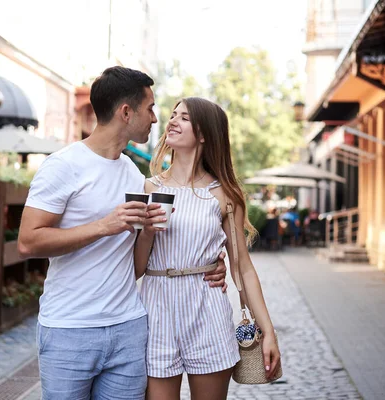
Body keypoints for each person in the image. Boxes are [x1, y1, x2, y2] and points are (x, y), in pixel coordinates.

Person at [18, 67, 228, 400]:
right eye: (151, 109)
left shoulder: (135, 176)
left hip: (129, 329)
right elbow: (28, 241)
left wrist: (210, 263)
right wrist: (104, 225)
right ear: (126, 112)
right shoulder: (63, 165)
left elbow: (145, 255)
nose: (156, 120)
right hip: (69, 329)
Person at [134, 98, 281, 399]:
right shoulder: (148, 188)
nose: (172, 121)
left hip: (207, 312)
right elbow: (135, 268)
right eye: (173, 115)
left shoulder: (224, 195)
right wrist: (147, 232)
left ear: (204, 134)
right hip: (155, 311)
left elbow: (243, 267)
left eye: (184, 117)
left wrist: (268, 331)